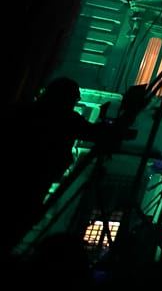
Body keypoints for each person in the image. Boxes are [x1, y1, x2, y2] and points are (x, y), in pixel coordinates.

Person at [3, 77, 103, 256]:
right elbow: (94, 133)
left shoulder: (26, 111)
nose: (75, 102)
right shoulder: (66, 119)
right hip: (37, 179)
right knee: (21, 220)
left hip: (22, 177)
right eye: (74, 98)